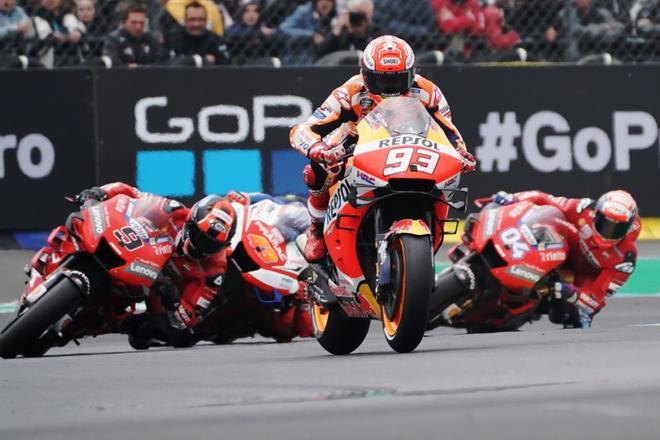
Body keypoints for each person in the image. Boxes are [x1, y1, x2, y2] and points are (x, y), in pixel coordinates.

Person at [289, 34, 477, 262]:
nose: (389, 89)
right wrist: (318, 149)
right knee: (315, 171)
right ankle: (317, 228)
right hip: (358, 149)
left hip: (412, 150)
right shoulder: (350, 91)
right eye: (381, 80)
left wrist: (460, 153)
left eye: (396, 80)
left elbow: (449, 131)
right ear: (365, 74)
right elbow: (304, 129)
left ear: (411, 73)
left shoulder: (428, 91)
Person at [491, 189, 641, 328]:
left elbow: (596, 300)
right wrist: (514, 198)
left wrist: (570, 292)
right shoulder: (582, 209)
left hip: (584, 277)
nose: (609, 232)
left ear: (628, 227)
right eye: (605, 223)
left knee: (578, 317)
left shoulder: (625, 258)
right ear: (596, 214)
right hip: (560, 251)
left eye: (617, 229)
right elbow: (543, 198)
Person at [165, 1, 230, 65]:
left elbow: (228, 66)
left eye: (201, 19)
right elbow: (164, 64)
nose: (196, 24)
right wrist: (200, 60)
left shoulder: (216, 41)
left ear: (206, 21)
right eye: (192, 19)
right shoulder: (173, 39)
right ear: (185, 21)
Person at [102, 1, 166, 67]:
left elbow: (160, 62)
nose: (138, 27)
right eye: (133, 22)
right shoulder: (114, 39)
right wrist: (126, 67)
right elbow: (111, 62)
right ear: (123, 23)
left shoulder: (151, 39)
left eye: (141, 23)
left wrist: (140, 68)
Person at [0, 0, 36, 67]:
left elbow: (31, 32)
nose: (7, 1)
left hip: (20, 51)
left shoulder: (19, 10)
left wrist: (18, 30)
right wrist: (15, 28)